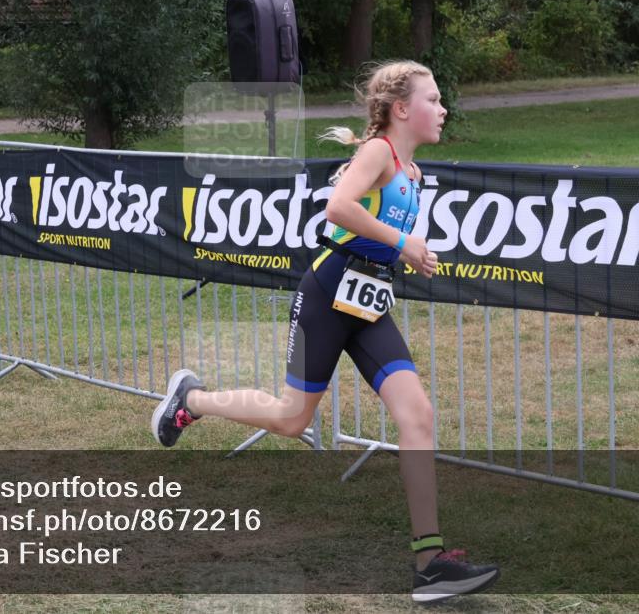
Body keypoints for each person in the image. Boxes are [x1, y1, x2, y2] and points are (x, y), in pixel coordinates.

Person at [151, 60, 499, 604]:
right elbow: (335, 207)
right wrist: (403, 243)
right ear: (402, 110)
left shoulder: (412, 171)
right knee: (293, 420)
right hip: (326, 295)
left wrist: (406, 253)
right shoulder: (380, 153)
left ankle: (429, 563)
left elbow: (371, 225)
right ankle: (192, 399)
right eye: (433, 99)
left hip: (368, 304)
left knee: (418, 415)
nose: (443, 108)